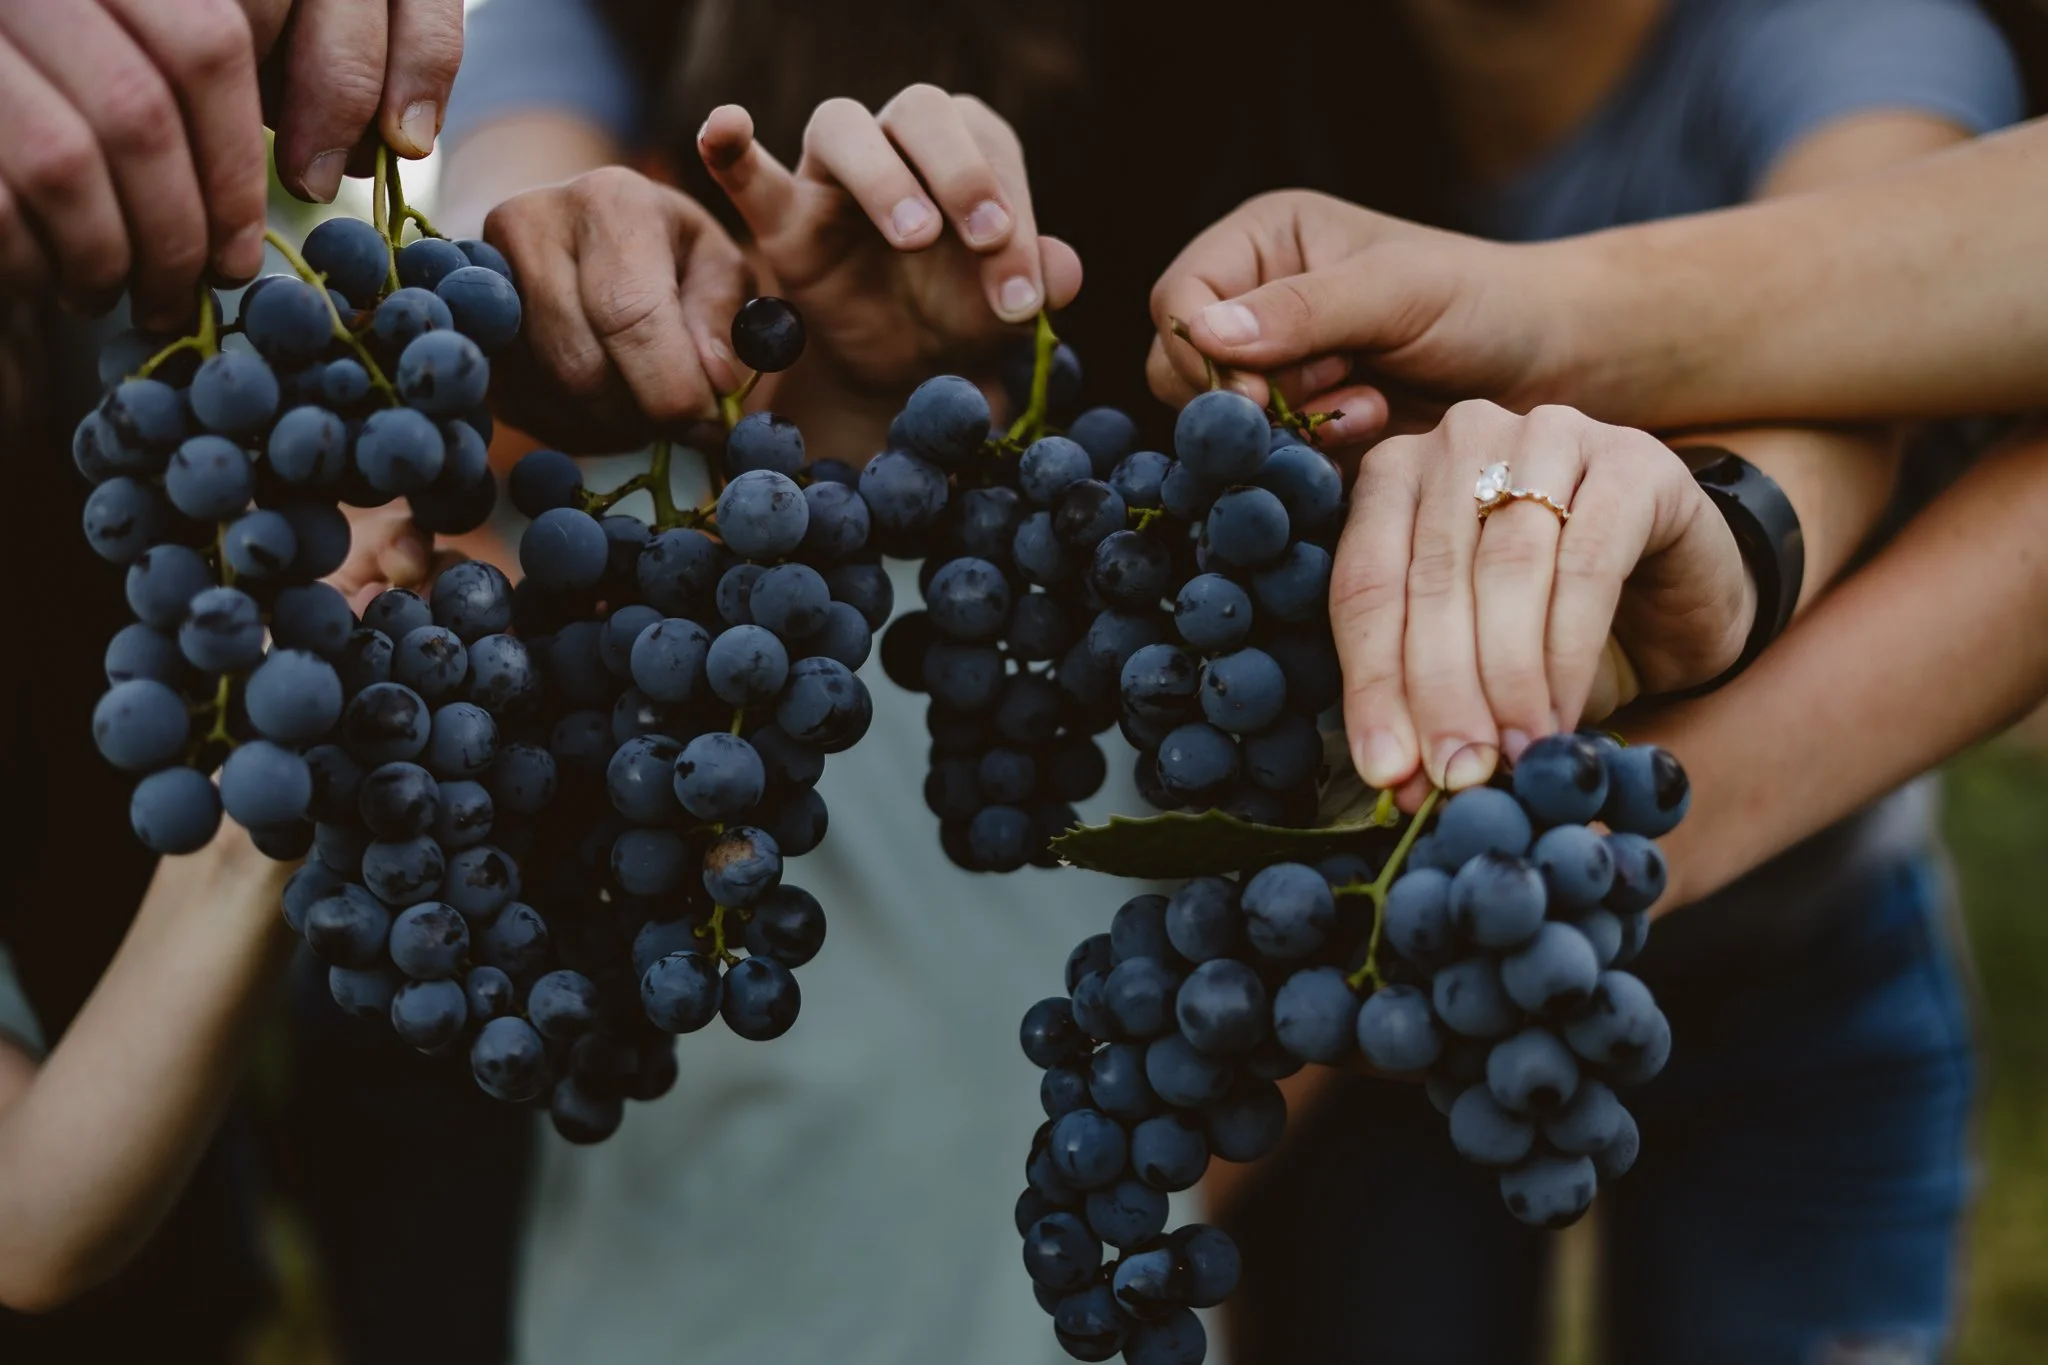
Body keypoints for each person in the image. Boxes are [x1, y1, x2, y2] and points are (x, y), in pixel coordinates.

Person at [437, 1, 2022, 1362]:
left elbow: (1874, 362)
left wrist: (1702, 509)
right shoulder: (1279, 67)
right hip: (1426, 925)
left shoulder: (1844, 43)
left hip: (1770, 942)